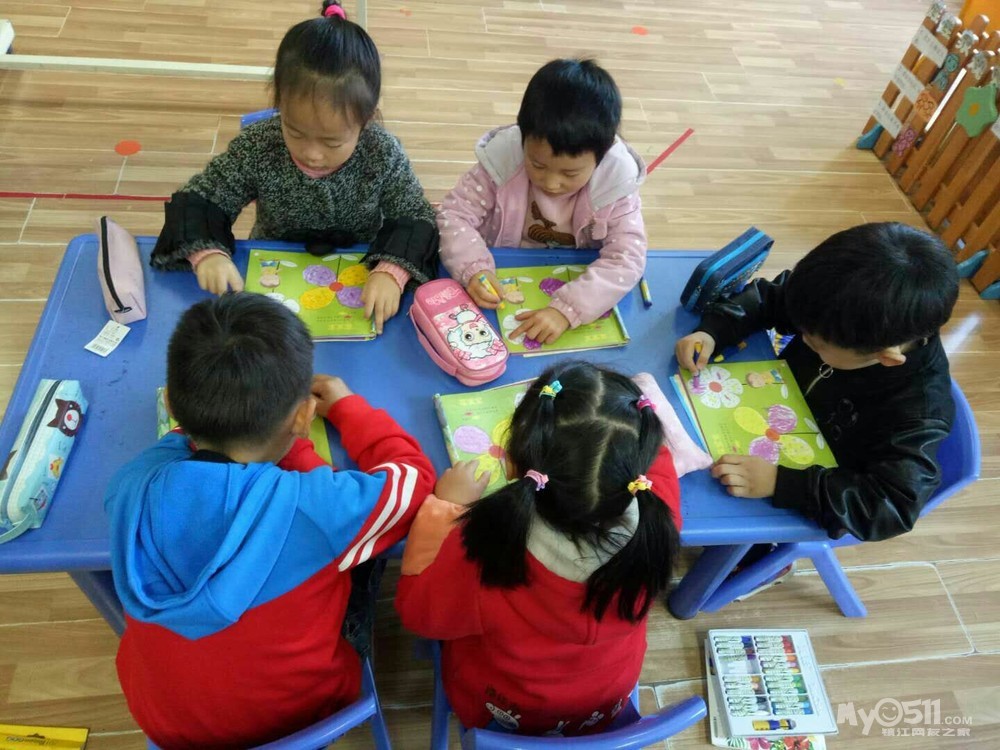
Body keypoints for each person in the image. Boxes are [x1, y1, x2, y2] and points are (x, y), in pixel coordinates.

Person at [105, 293, 435, 748]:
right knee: (367, 558)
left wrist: (261, 433)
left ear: (174, 409)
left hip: (165, 726)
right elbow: (413, 479)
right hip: (299, 721)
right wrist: (345, 409)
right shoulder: (316, 507)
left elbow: (187, 447)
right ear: (304, 416)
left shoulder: (130, 484)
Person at [395, 362, 681, 737]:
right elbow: (658, 460)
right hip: (604, 706)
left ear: (512, 464)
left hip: (503, 714)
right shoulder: (658, 519)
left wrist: (445, 509)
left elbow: (418, 614)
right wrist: (624, 421)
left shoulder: (487, 550)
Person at [150, 0, 437, 333]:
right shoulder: (259, 146)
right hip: (272, 266)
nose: (312, 154)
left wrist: (391, 272)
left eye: (332, 142)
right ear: (279, 105)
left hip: (359, 273)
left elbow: (415, 215)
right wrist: (208, 254)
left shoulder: (382, 153)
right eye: (295, 132)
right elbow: (203, 198)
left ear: (366, 120)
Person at [675, 222, 960, 542]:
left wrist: (782, 483)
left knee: (721, 525)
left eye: (816, 343)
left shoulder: (919, 409)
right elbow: (770, 297)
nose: (803, 337)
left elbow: (890, 506)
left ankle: (762, 556)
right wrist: (714, 330)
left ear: (886, 358)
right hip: (763, 416)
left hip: (803, 492)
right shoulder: (837, 306)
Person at [437, 58, 647, 345]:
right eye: (537, 164)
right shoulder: (502, 162)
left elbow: (627, 258)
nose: (551, 183)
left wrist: (567, 309)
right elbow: (455, 214)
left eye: (570, 173)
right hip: (501, 266)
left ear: (601, 156)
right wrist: (474, 268)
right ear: (523, 138)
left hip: (576, 281)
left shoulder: (615, 185)